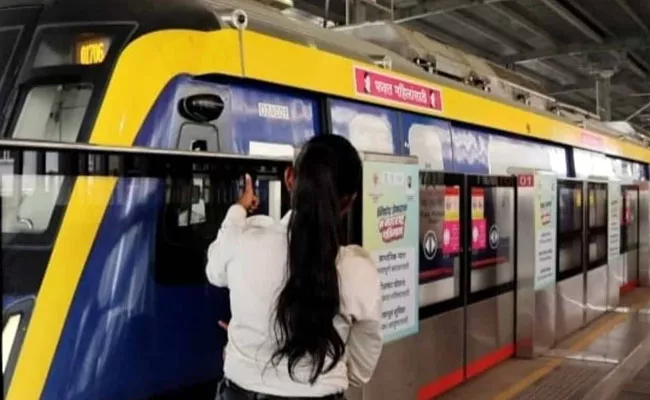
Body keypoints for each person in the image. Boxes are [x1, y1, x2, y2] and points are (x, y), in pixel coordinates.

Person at [206, 135, 383, 400]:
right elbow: (360, 370)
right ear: (349, 201)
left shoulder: (243, 241)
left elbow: (214, 270)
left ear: (290, 178)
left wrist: (238, 210)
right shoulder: (359, 271)